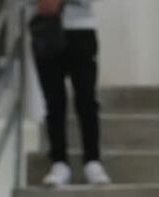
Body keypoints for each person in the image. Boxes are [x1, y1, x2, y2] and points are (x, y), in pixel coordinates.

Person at [33, 0, 109, 187]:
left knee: (86, 99)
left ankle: (92, 160)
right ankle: (59, 162)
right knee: (54, 101)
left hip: (81, 30)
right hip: (45, 28)